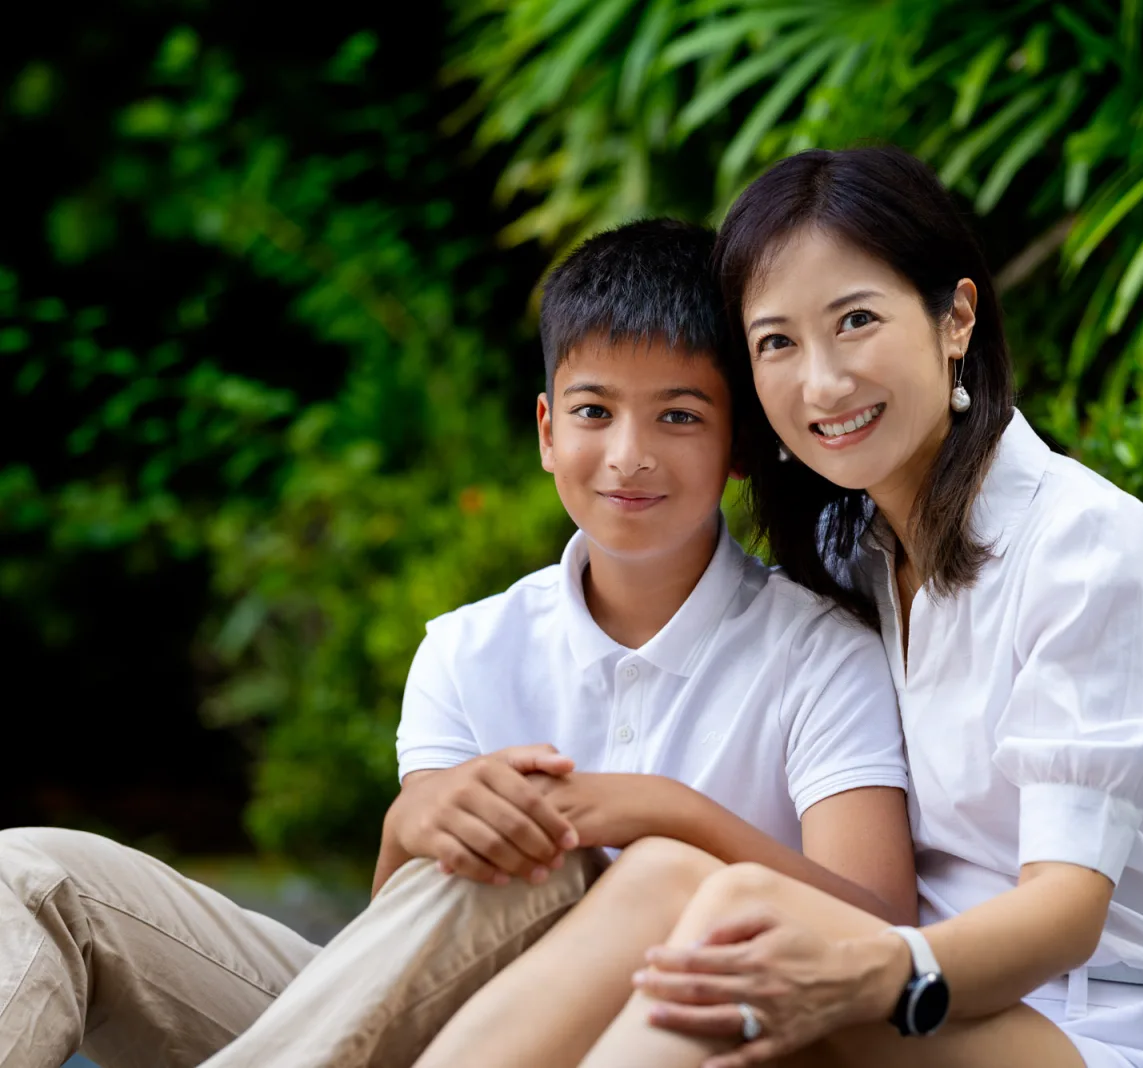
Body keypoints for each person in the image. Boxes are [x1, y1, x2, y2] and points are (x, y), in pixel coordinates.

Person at [0, 219, 915, 1068]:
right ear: (547, 432)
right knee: (35, 877)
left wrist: (658, 812)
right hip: (413, 1033)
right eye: (594, 412)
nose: (629, 454)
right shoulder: (468, 647)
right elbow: (397, 949)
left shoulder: (819, 654)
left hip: (651, 1034)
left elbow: (882, 937)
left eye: (678, 416)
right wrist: (412, 822)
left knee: (537, 850)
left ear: (739, 445)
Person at [434, 146, 1143, 1068]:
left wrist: (862, 975)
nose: (821, 383)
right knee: (675, 888)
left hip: (1103, 1022)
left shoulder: (1083, 544)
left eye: (855, 320)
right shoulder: (844, 550)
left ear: (956, 319)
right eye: (777, 343)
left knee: (715, 902)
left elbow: (1064, 916)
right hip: (909, 1000)